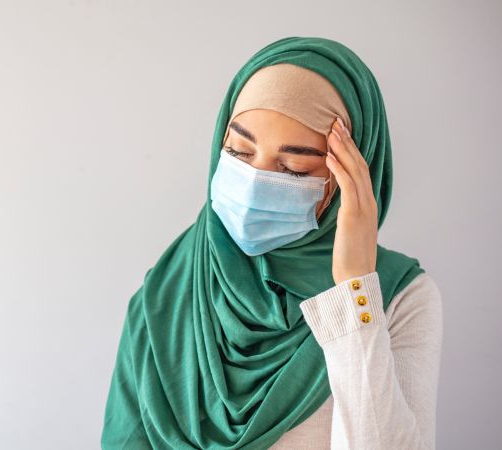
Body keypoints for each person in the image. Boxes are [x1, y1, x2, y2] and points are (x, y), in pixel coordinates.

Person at [100, 36, 443, 450]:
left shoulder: (399, 300)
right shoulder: (165, 297)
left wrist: (354, 292)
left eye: (294, 168)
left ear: (350, 178)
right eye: (239, 152)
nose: (254, 183)